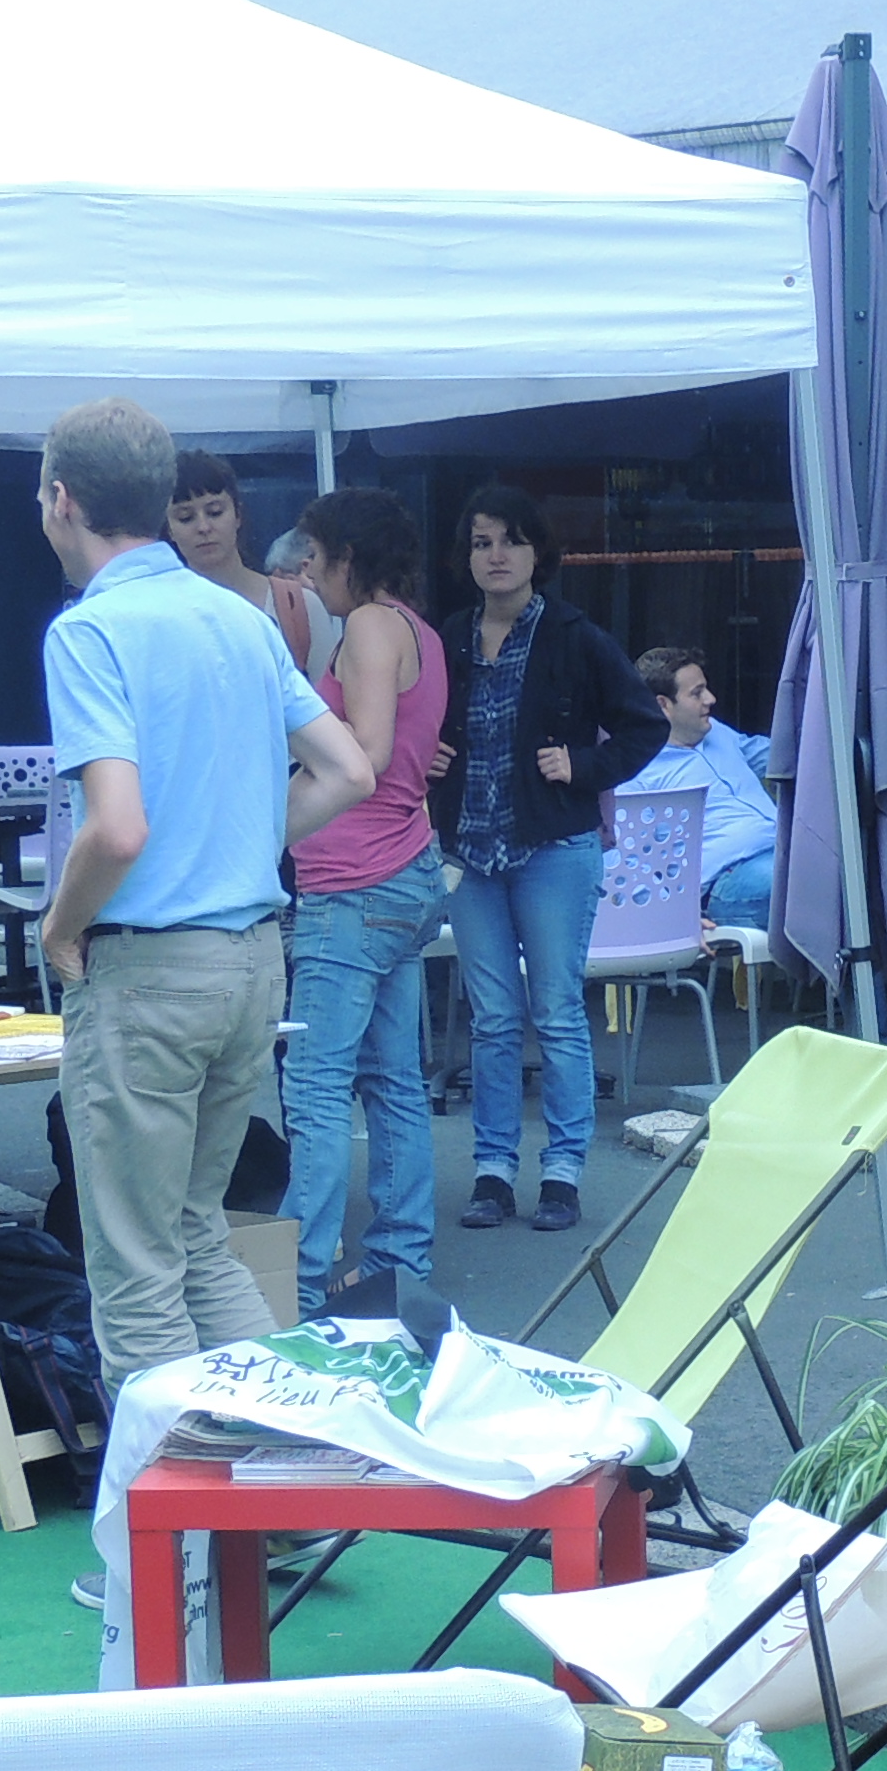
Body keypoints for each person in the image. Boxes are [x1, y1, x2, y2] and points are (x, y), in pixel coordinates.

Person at [38, 396, 374, 1390]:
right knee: (199, 1240)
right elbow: (348, 771)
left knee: (137, 1269)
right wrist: (236, 843)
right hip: (250, 960)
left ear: (62, 501)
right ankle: (262, 1524)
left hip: (145, 970)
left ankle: (168, 1552)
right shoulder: (241, 617)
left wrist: (62, 928)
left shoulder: (88, 633)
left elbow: (118, 827)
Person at [427, 487, 659, 1234]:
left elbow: (644, 725)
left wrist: (585, 766)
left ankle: (563, 1171)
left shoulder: (574, 633)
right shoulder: (450, 635)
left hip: (553, 846)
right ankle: (493, 1170)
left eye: (510, 542)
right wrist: (426, 756)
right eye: (481, 542)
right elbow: (418, 723)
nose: (494, 556)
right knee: (492, 1017)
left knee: (556, 1012)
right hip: (470, 846)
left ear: (537, 555)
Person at [276, 491, 452, 1315]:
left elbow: (370, 754)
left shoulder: (373, 629)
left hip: (354, 885)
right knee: (393, 1083)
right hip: (403, 873)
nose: (308, 567)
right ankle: (398, 1265)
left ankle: (300, 1284)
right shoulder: (417, 629)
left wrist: (272, 821)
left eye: (316, 552)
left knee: (315, 1089)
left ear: (350, 555)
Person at [628, 644, 778, 929]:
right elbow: (624, 861)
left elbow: (779, 757)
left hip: (784, 852)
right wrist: (673, 918)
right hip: (728, 879)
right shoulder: (637, 773)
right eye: (697, 693)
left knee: (867, 877)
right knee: (815, 889)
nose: (711, 699)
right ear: (663, 705)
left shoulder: (715, 731)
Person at [169, 451, 339, 681]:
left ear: (238, 515)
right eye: (185, 517)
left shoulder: (298, 606)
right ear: (169, 529)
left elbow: (325, 706)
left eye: (215, 512)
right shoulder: (157, 614)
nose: (203, 527)